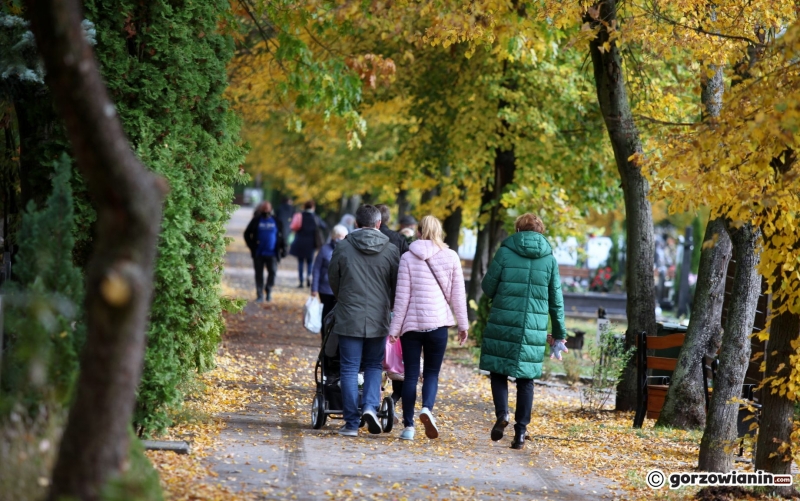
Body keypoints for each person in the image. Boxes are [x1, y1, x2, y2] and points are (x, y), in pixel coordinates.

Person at [479, 213, 567, 450]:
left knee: (498, 371)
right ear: (540, 232)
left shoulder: (505, 252)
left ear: (518, 230)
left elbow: (487, 287)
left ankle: (502, 414)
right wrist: (559, 333)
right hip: (533, 328)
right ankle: (520, 433)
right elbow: (556, 301)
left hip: (503, 321)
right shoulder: (549, 260)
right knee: (526, 379)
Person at [388, 215, 469, 441]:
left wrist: (395, 329)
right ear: (439, 232)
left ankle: (409, 427)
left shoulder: (407, 257)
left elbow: (401, 299)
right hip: (438, 325)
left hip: (412, 327)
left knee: (411, 375)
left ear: (419, 232)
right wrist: (463, 325)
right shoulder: (451, 257)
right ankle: (427, 409)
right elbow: (458, 296)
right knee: (432, 372)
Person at [329, 204, 399, 436]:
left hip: (349, 315)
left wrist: (344, 299)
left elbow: (333, 280)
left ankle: (351, 423)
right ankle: (370, 406)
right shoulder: (390, 250)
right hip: (378, 317)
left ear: (356, 224)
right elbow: (395, 286)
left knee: (349, 368)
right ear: (379, 224)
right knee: (373, 366)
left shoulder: (343, 247)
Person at [311, 224, 349, 342]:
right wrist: (314, 288)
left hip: (341, 290)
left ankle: (334, 341)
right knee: (326, 315)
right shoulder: (324, 249)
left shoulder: (348, 250)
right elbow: (316, 269)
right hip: (325, 289)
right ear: (333, 236)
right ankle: (324, 339)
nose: (340, 239)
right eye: (338, 236)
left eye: (343, 236)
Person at [243, 202, 286, 302]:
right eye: (264, 209)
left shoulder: (276, 221)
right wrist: (252, 247)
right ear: (261, 210)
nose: (266, 211)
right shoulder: (256, 220)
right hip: (259, 253)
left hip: (273, 254)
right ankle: (260, 295)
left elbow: (283, 235)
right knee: (259, 274)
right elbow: (247, 234)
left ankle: (268, 289)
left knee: (273, 273)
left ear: (271, 209)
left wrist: (284, 249)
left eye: (267, 209)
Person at [289, 200, 325, 288]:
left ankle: (301, 282)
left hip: (300, 241)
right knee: (310, 262)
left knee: (300, 262)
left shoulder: (300, 216)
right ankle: (309, 278)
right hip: (311, 243)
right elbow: (324, 226)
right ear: (313, 207)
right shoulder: (315, 217)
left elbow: (293, 227)